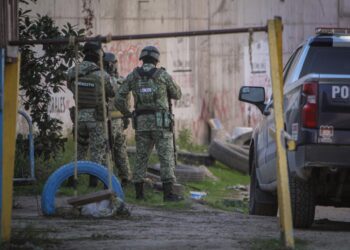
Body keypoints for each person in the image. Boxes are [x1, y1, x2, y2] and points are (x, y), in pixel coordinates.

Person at [115, 45, 183, 201]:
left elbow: (119, 98)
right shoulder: (162, 75)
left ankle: (139, 195)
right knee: (166, 157)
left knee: (141, 157)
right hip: (161, 123)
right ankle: (168, 195)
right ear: (156, 60)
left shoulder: (133, 76)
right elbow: (177, 94)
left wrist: (128, 113)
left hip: (141, 122)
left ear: (142, 59)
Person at [67, 41, 114, 186]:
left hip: (79, 117)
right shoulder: (102, 75)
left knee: (79, 151)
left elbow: (71, 87)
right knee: (97, 152)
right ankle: (93, 184)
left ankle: (71, 181)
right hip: (97, 118)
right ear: (98, 54)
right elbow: (113, 92)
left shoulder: (72, 72)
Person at [104, 52, 131, 187]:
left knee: (106, 151)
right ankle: (125, 178)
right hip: (119, 120)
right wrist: (126, 120)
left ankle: (106, 180)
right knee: (121, 151)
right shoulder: (122, 81)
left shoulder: (101, 80)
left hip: (105, 121)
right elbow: (127, 104)